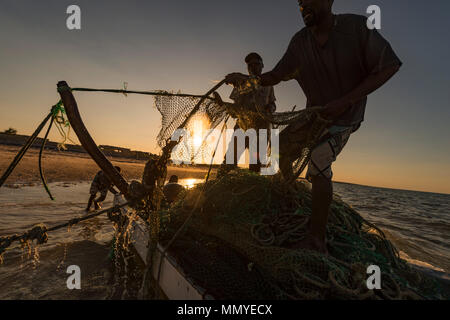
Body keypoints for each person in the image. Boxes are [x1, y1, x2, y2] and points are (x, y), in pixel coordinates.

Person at [225, 0, 402, 253]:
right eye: (299, 2)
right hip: (313, 114)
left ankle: (316, 239)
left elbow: (390, 65)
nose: (303, 5)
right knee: (280, 149)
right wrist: (247, 81)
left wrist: (346, 100)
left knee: (319, 159)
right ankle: (287, 200)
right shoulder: (300, 42)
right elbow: (274, 76)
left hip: (346, 117)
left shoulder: (357, 27)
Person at [214, 52, 277, 173]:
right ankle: (221, 182)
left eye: (256, 64)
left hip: (261, 130)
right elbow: (235, 108)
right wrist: (222, 103)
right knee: (229, 161)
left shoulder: (268, 84)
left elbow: (273, 103)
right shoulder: (241, 83)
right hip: (242, 127)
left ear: (262, 66)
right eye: (250, 65)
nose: (253, 67)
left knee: (256, 166)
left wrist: (270, 108)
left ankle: (253, 189)